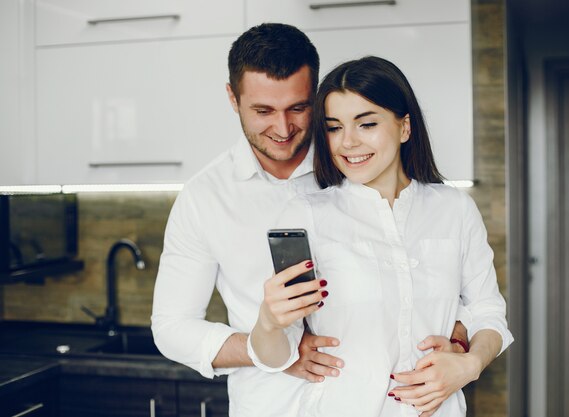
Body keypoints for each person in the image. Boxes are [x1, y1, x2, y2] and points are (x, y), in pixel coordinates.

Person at [152, 24, 469, 417]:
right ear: (233, 98)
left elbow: (442, 279)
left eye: (298, 108)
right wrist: (268, 349)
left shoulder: (361, 158)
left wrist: (462, 334)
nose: (283, 129)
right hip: (268, 405)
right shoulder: (205, 198)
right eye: (263, 111)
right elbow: (172, 327)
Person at [248, 56, 514, 417]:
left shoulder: (454, 208)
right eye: (334, 127)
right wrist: (268, 321)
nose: (348, 142)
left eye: (366, 124)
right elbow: (278, 354)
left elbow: (488, 311)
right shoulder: (305, 214)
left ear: (405, 127)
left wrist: (469, 365)